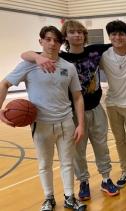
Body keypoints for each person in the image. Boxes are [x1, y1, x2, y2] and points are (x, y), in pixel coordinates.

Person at [21, 20, 119, 200]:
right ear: (65, 36)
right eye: (72, 32)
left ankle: (106, 179)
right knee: (77, 151)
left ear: (84, 35)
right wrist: (37, 57)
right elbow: (25, 54)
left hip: (96, 108)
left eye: (80, 32)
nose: (77, 35)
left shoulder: (94, 51)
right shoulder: (61, 57)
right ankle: (83, 182)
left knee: (101, 146)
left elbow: (119, 41)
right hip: (73, 112)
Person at [0, 26, 86, 211]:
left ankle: (70, 197)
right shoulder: (29, 64)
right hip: (41, 124)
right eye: (48, 39)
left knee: (68, 162)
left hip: (66, 122)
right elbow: (5, 83)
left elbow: (77, 96)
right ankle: (49, 198)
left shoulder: (68, 67)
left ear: (61, 44)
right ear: (41, 41)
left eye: (56, 40)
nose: (52, 43)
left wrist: (81, 124)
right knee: (44, 164)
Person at [99, 20, 126, 189]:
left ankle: (125, 157)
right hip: (112, 103)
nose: (118, 37)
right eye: (114, 34)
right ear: (109, 36)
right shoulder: (104, 55)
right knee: (119, 140)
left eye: (121, 34)